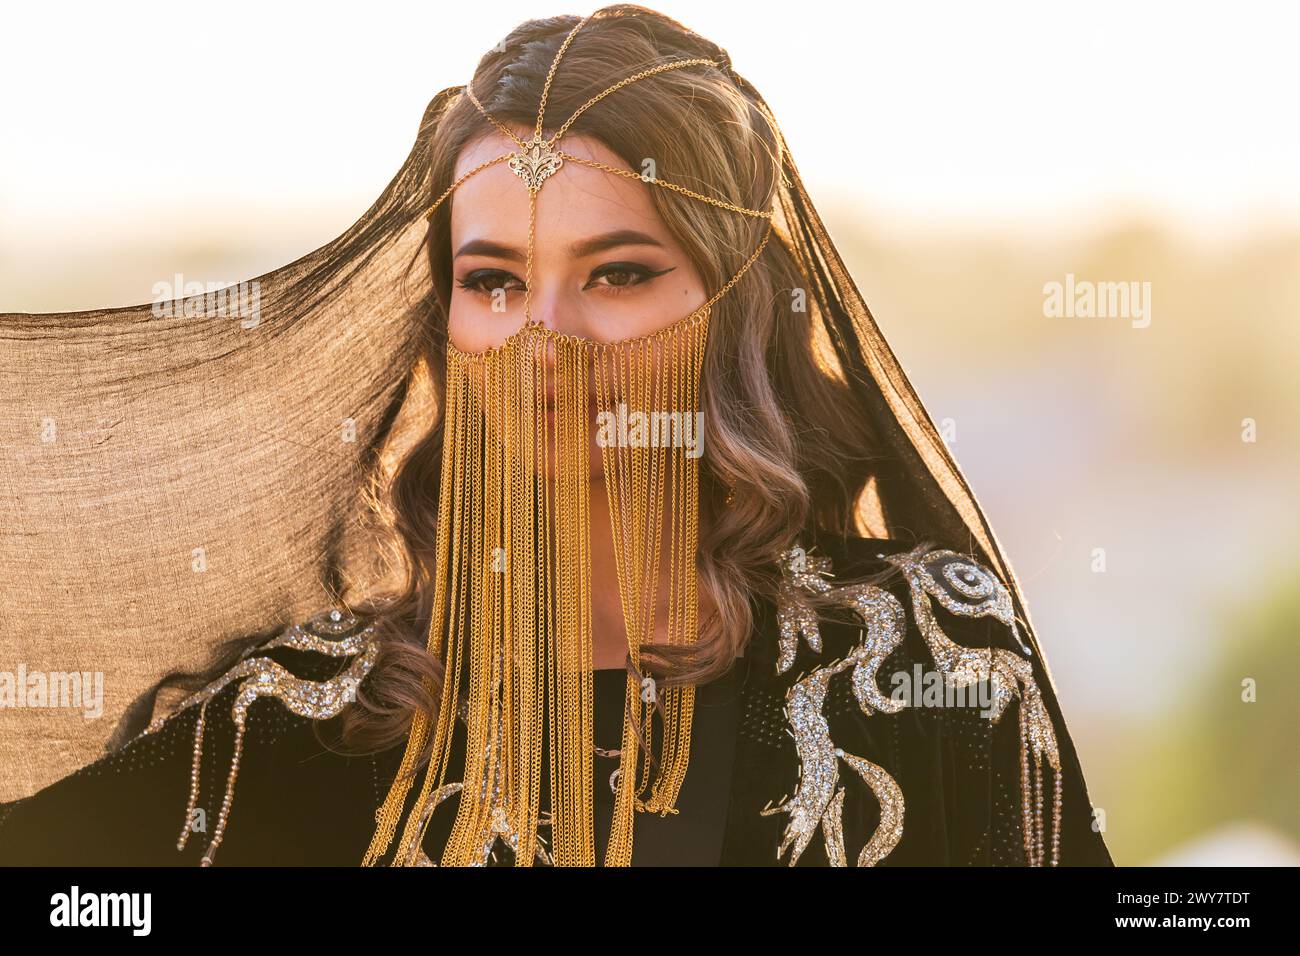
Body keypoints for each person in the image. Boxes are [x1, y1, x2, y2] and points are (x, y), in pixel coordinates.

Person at [0, 4, 1112, 867]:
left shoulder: (927, 653)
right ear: (444, 322)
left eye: (618, 273)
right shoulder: (312, 716)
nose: (547, 335)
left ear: (731, 304)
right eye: (493, 281)